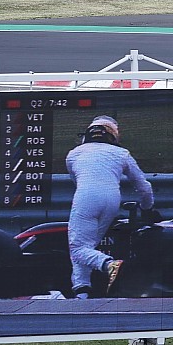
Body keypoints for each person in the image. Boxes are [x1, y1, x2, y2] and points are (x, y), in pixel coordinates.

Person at [66, 116, 154, 298]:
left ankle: (108, 264)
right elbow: (144, 187)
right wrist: (147, 208)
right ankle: (82, 291)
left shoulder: (74, 153)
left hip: (86, 197)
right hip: (113, 200)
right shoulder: (122, 154)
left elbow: (76, 181)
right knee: (86, 247)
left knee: (78, 248)